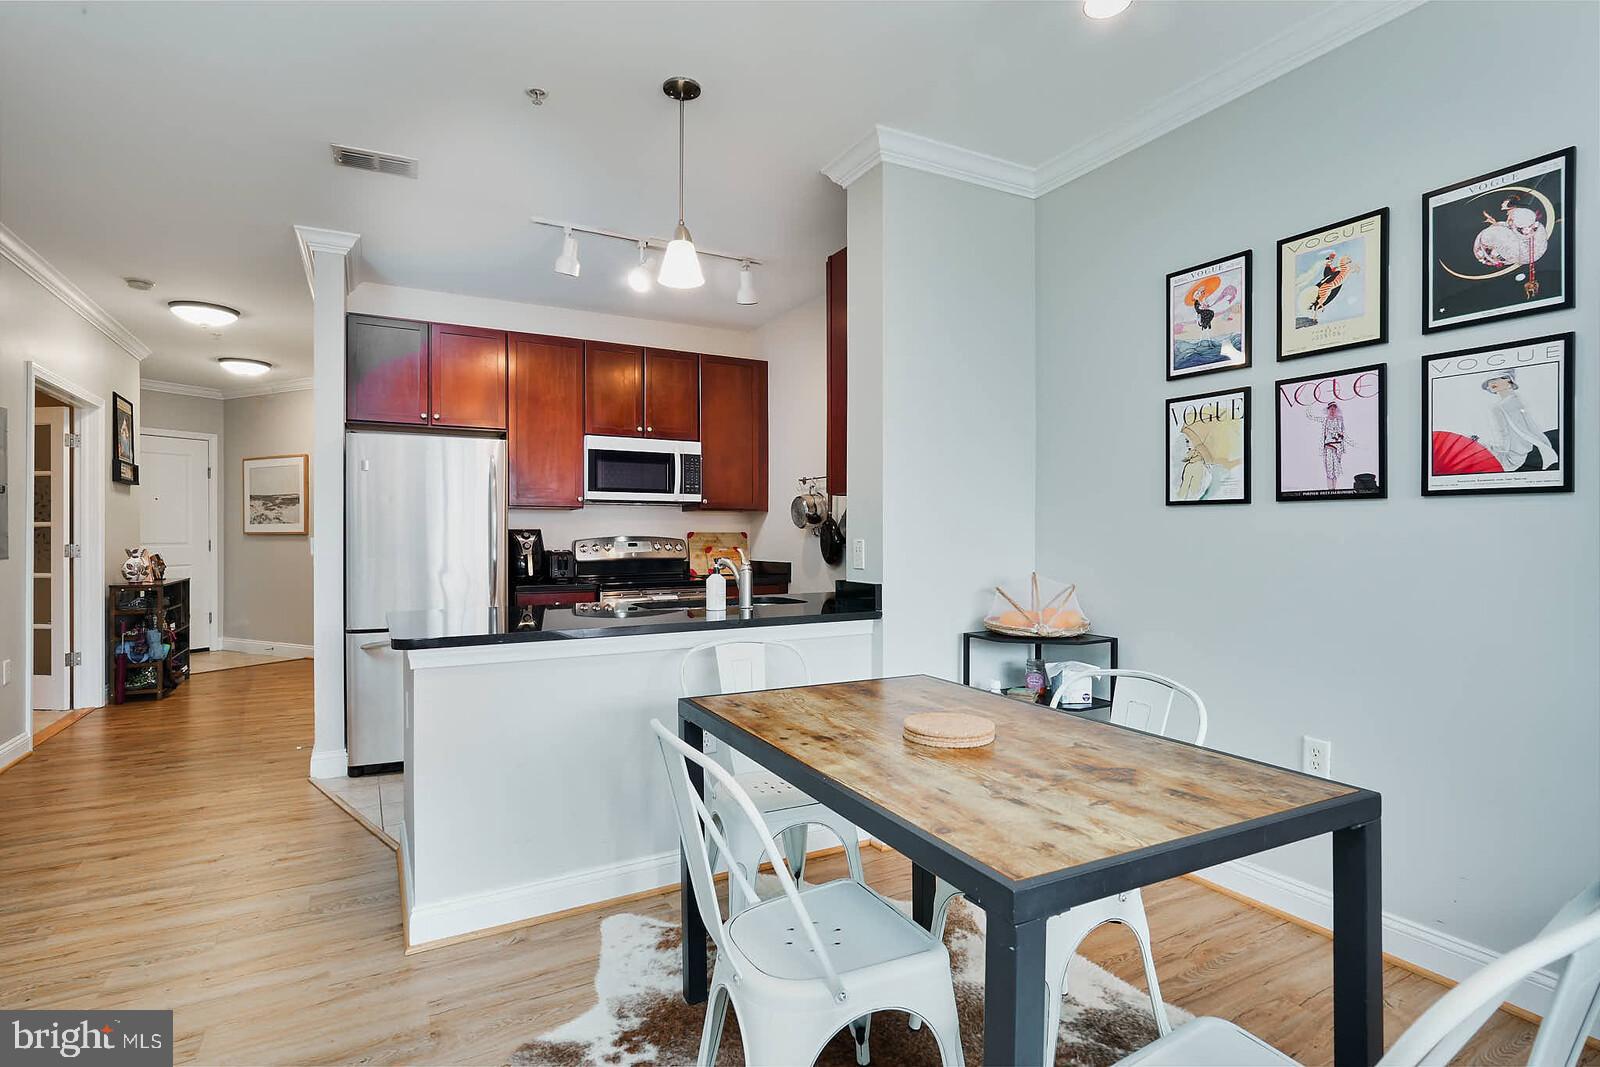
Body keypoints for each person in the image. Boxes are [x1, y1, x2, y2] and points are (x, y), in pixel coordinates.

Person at [1478, 369, 1558, 471]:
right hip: (1519, 449)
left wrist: (1498, 448)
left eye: (1496, 379)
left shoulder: (1500, 407)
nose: (1491, 383)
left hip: (1512, 452)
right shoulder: (1514, 401)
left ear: (1509, 381)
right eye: (1489, 381)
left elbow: (1503, 432)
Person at [1304, 400, 1348, 490]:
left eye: (1334, 408)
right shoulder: (1325, 419)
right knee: (1329, 470)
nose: (1332, 410)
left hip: (1338, 448)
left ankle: (1334, 489)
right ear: (1328, 409)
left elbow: (1343, 432)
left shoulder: (1340, 419)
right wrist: (1308, 404)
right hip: (1328, 447)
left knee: (1336, 470)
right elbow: (1310, 416)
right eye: (1331, 408)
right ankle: (1329, 490)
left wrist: (1341, 442)